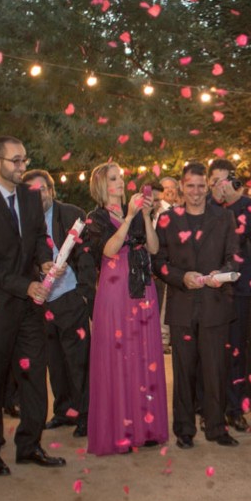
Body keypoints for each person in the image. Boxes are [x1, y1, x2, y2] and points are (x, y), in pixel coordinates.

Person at [0, 136, 65, 475]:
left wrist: (45, 262)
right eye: (16, 161)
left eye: (24, 160)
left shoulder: (31, 197)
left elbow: (38, 240)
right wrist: (26, 285)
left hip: (29, 306)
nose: (23, 166)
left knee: (35, 375)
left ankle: (30, 444)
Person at [155, 162, 240, 448]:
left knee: (216, 370)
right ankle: (184, 429)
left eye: (201, 186)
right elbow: (158, 263)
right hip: (181, 306)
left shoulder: (225, 217)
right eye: (190, 186)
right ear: (181, 186)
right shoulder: (167, 219)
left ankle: (216, 428)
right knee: (183, 371)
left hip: (215, 305)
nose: (195, 192)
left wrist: (222, 274)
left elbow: (234, 257)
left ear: (209, 187)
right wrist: (181, 278)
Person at [83, 163, 167, 454]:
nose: (120, 183)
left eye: (121, 178)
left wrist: (145, 215)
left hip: (143, 287)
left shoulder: (139, 212)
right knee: (118, 356)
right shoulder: (95, 218)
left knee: (144, 354)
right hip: (115, 289)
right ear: (102, 186)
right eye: (114, 179)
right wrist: (131, 215)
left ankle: (146, 428)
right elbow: (108, 249)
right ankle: (119, 430)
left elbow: (154, 249)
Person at [25, 169, 94, 439]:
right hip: (41, 301)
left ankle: (86, 415)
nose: (37, 195)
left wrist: (85, 295)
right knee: (54, 361)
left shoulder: (71, 214)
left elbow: (87, 257)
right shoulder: (23, 222)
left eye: (42, 189)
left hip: (70, 296)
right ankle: (64, 410)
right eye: (31, 192)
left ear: (51, 191)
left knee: (78, 361)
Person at [209, 159, 251, 432]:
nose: (222, 185)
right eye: (216, 180)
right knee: (212, 351)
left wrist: (238, 200)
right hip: (210, 286)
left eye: (225, 179)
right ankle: (210, 406)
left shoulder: (244, 203)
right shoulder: (203, 204)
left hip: (239, 287)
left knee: (239, 351)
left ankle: (236, 407)